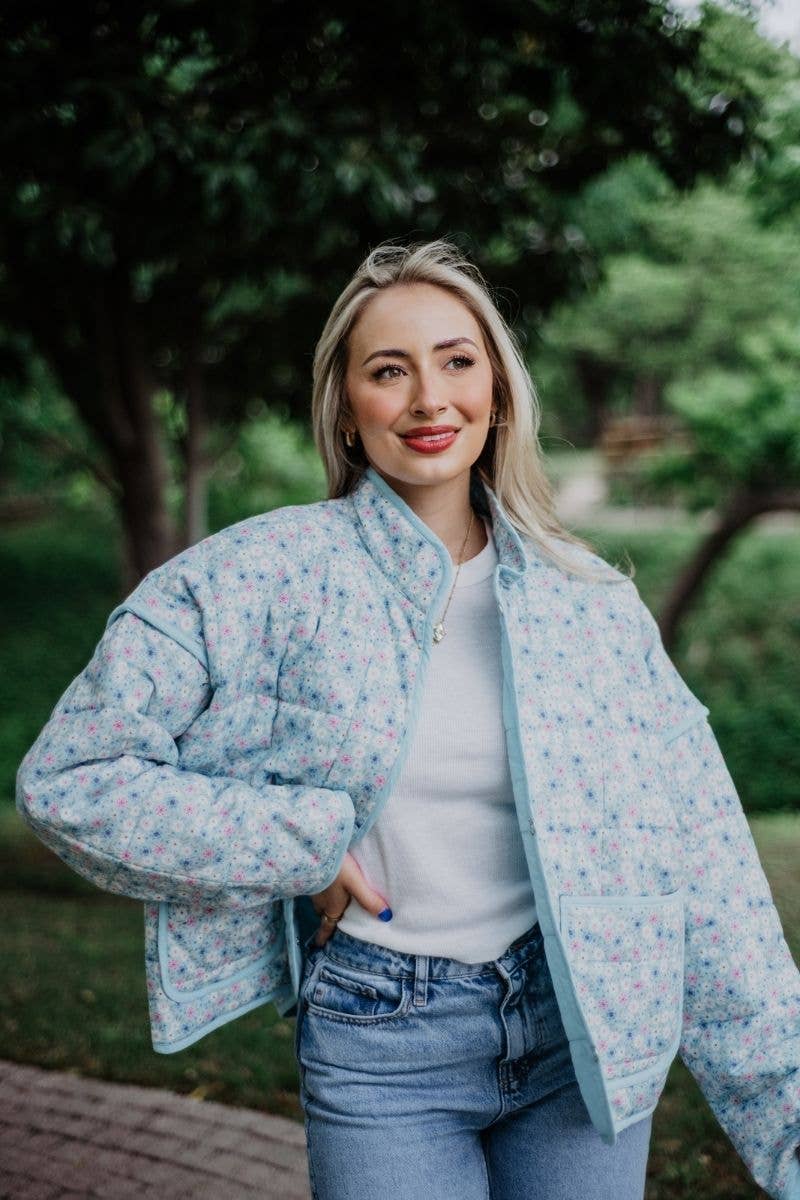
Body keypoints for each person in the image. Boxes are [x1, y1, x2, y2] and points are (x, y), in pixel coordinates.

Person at [16, 239, 800, 1200]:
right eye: (390, 370)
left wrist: (787, 1120)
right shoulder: (256, 577)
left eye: (457, 361)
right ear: (346, 407)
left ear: (499, 390)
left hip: (582, 1036)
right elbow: (73, 777)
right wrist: (297, 844)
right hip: (382, 1039)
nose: (431, 398)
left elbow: (709, 857)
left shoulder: (589, 601)